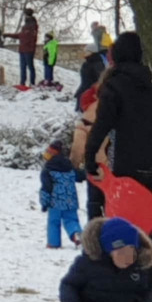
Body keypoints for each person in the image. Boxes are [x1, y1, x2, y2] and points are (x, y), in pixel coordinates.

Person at [84, 31, 152, 302]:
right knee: (151, 225)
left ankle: (131, 286)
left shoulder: (116, 86)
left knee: (125, 227)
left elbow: (103, 125)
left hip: (128, 166)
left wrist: (89, 157)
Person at [69, 79, 109, 220]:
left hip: (95, 168)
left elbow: (77, 150)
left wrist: (73, 166)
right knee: (111, 203)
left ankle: (95, 231)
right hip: (116, 168)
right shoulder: (113, 115)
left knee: (94, 202)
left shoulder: (83, 125)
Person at [39, 140, 84, 249]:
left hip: (55, 202)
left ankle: (53, 243)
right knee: (71, 220)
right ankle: (76, 234)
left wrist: (44, 203)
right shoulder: (69, 166)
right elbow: (80, 176)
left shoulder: (48, 170)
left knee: (54, 222)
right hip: (71, 201)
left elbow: (46, 188)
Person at [3, 8, 38, 87]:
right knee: (22, 67)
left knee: (30, 67)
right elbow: (20, 36)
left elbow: (33, 38)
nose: (25, 16)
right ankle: (22, 83)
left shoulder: (33, 25)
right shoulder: (25, 26)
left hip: (28, 51)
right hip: (22, 50)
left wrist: (32, 48)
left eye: (25, 14)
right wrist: (8, 35)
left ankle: (32, 83)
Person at [74, 43, 106, 111]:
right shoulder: (87, 63)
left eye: (86, 51)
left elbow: (100, 79)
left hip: (90, 95)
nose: (84, 52)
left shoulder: (98, 64)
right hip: (83, 91)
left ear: (92, 52)